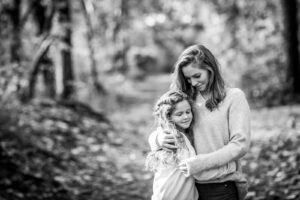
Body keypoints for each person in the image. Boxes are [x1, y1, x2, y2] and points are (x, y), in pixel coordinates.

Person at [149, 44, 251, 200]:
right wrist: (158, 139)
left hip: (219, 187)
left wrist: (200, 163)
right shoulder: (185, 98)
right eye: (188, 78)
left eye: (197, 76)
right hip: (187, 187)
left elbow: (240, 145)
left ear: (210, 70)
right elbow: (164, 123)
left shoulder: (233, 98)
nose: (193, 83)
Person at [145, 90, 237, 200]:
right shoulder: (174, 137)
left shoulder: (173, 133)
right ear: (168, 117)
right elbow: (196, 171)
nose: (186, 117)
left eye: (188, 112)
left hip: (169, 194)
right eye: (179, 114)